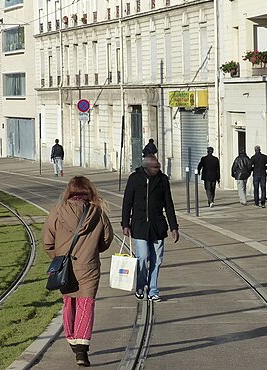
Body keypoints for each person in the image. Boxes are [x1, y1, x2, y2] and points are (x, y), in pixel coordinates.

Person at [43, 176, 114, 366]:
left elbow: (47, 242)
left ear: (70, 192)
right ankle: (82, 350)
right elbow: (107, 240)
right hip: (89, 267)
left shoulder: (57, 211)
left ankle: (73, 340)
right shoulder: (97, 212)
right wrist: (91, 250)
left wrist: (59, 259)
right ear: (89, 191)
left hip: (65, 267)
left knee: (69, 302)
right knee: (86, 304)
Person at [121, 155, 179, 302]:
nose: (157, 169)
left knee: (157, 259)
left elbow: (169, 204)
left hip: (158, 226)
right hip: (140, 225)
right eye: (154, 167)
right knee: (142, 257)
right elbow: (127, 202)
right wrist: (125, 224)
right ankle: (140, 287)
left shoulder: (163, 180)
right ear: (146, 167)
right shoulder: (134, 178)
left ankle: (153, 290)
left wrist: (174, 227)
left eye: (158, 167)